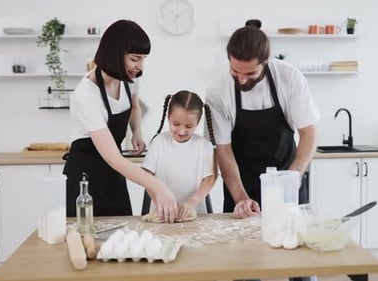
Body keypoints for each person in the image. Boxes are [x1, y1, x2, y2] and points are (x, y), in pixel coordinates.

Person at [63, 19, 178, 223]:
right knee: (88, 238)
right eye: (135, 59)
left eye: (143, 59)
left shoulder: (130, 79)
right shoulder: (86, 95)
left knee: (122, 233)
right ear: (115, 54)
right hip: (86, 178)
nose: (140, 67)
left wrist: (137, 132)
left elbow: (134, 106)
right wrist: (156, 185)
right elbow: (112, 158)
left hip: (115, 172)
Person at [205, 20, 320, 218]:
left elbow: (308, 133)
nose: (241, 79)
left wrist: (295, 175)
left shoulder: (289, 78)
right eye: (235, 72)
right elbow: (223, 149)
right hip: (241, 183)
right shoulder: (218, 91)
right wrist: (240, 197)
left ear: (266, 61)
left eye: (250, 73)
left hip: (286, 178)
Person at [141, 90, 217, 221]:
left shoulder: (204, 146)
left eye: (189, 126)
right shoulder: (159, 142)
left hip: (195, 216)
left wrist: (193, 201)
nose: (181, 131)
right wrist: (158, 198)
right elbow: (146, 175)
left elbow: (210, 178)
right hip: (161, 215)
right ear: (168, 118)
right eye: (176, 124)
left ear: (197, 123)